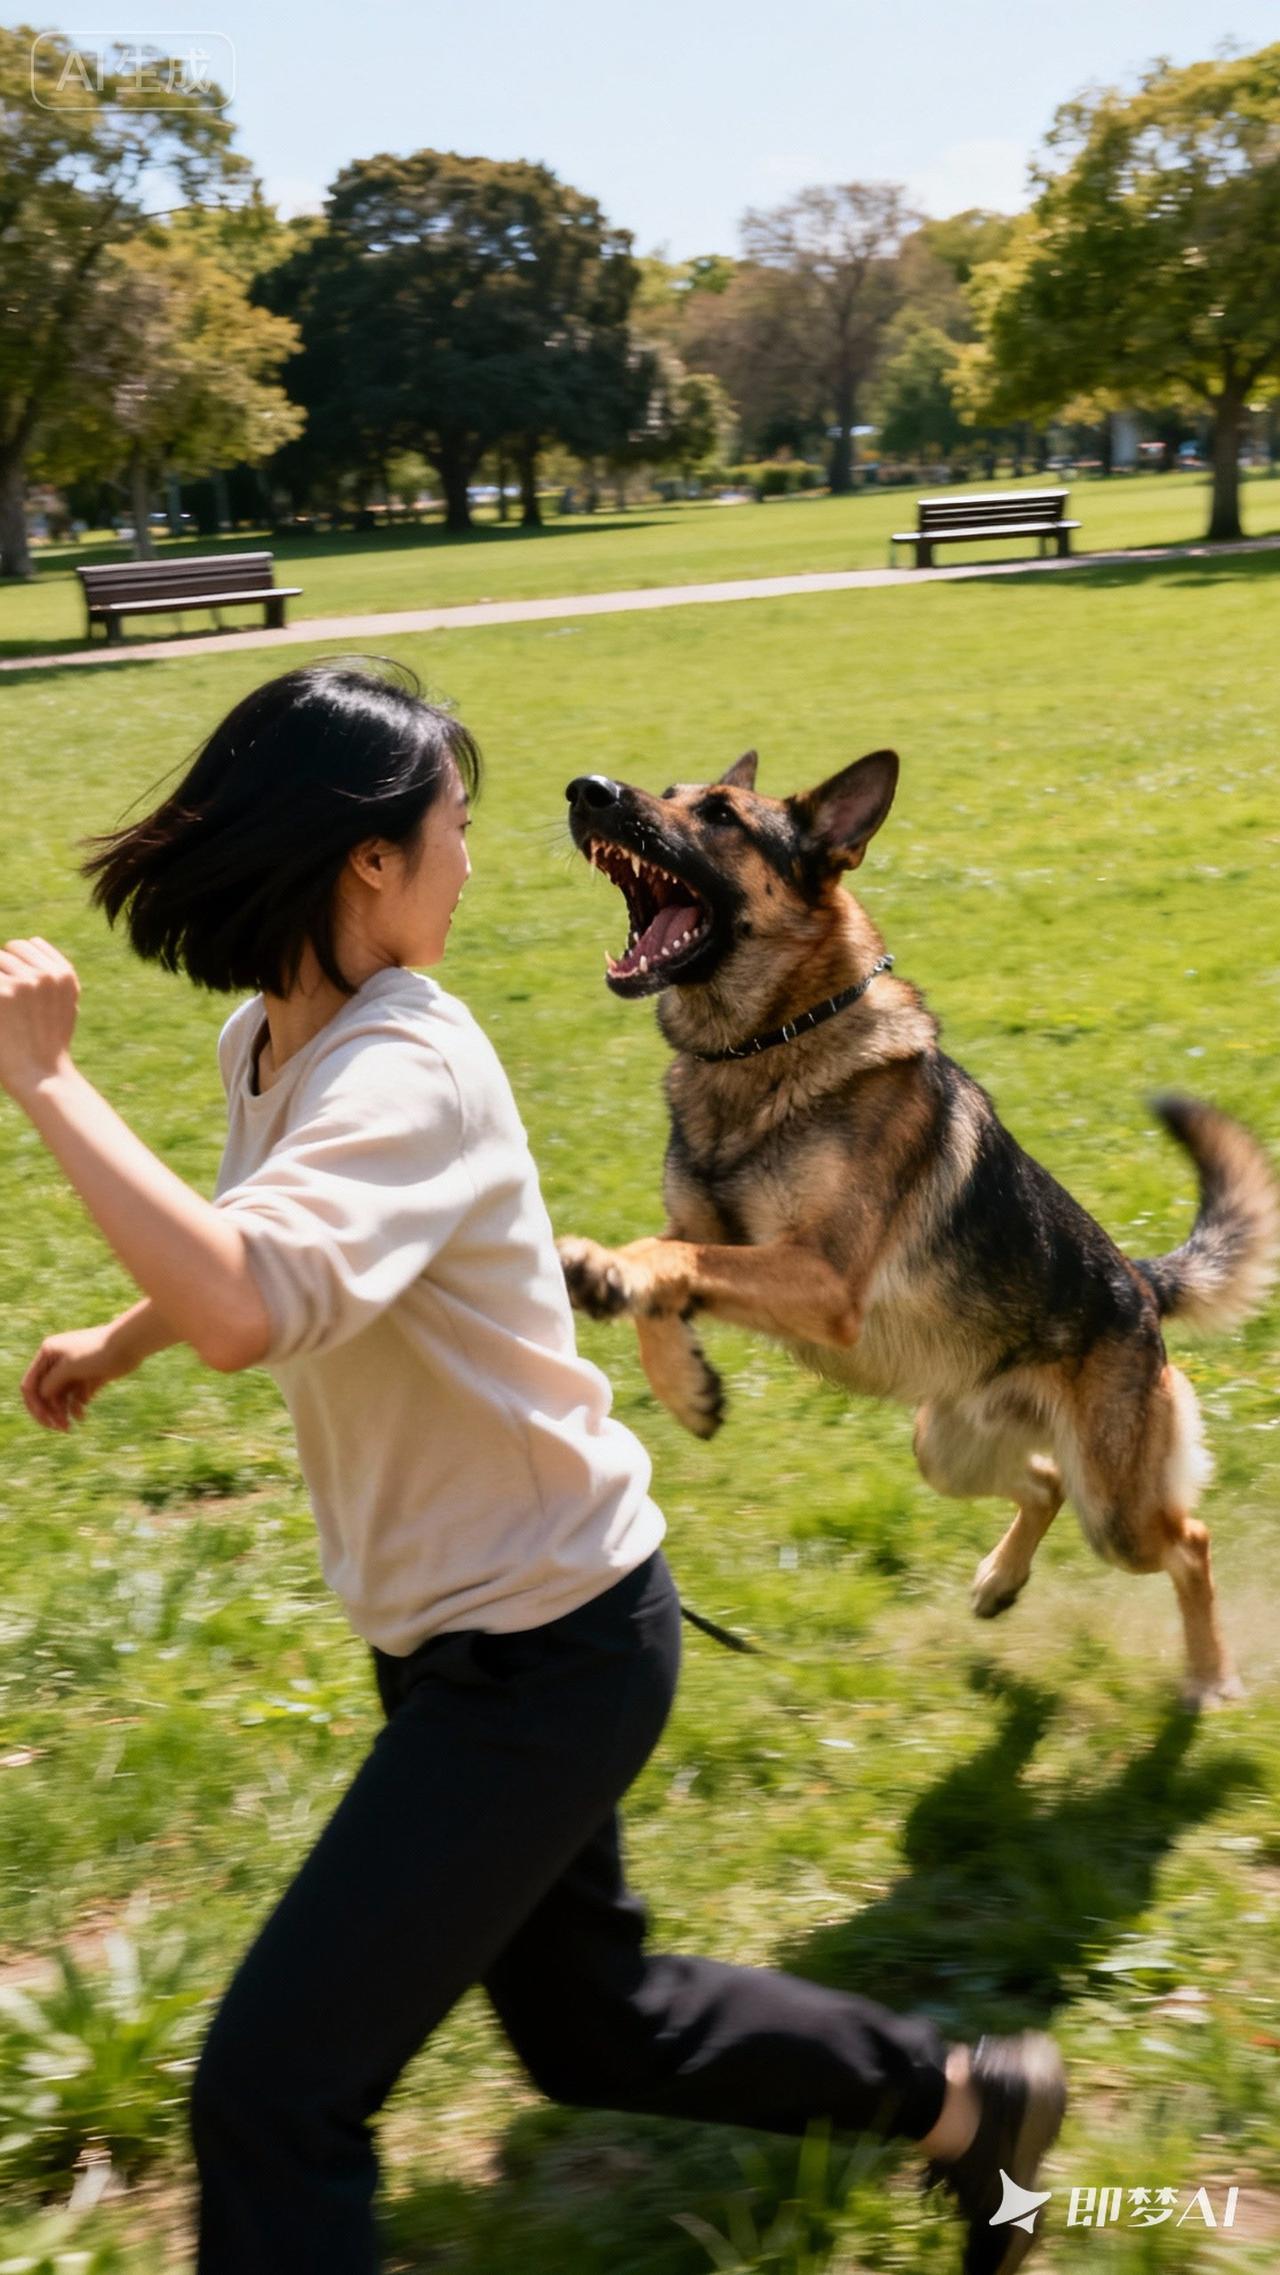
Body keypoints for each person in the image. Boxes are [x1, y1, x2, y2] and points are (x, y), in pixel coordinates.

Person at [3, 658, 1065, 2275]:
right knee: (595, 2028)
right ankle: (970, 2108)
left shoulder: (407, 1066)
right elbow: (274, 1260)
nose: (474, 858)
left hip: (545, 1646)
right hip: (461, 1632)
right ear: (367, 859)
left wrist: (48, 1080)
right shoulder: (271, 1042)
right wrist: (117, 1339)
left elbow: (248, 1301)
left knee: (273, 2094)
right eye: (455, 825)